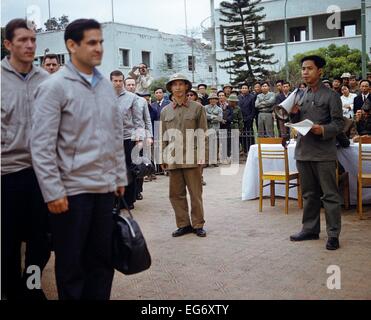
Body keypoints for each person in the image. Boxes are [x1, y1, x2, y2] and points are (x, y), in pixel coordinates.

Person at [31, 19, 127, 300]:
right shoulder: (54, 87)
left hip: (104, 189)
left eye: (101, 42)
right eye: (91, 42)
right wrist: (53, 191)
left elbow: (114, 135)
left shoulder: (106, 87)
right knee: (72, 265)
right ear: (72, 46)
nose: (99, 48)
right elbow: (41, 145)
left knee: (102, 261)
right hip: (70, 193)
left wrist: (119, 177)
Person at [1, 18, 51, 301]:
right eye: (23, 40)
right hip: (6, 174)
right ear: (8, 44)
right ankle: (10, 290)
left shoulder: (47, 81)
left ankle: (31, 287)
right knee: (6, 243)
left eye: (33, 39)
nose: (30, 45)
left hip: (41, 174)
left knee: (40, 242)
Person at [289, 55, 344, 251]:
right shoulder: (300, 95)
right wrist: (293, 114)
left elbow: (339, 124)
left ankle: (333, 234)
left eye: (309, 68)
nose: (305, 72)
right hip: (303, 152)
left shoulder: (332, 96)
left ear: (320, 71)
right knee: (309, 194)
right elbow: (295, 118)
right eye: (303, 69)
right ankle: (310, 229)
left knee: (330, 195)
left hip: (323, 154)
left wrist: (322, 130)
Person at [160, 73, 208, 238]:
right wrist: (161, 158)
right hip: (173, 158)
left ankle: (198, 224)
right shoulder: (165, 111)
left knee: (195, 193)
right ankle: (183, 224)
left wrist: (203, 156)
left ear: (187, 87)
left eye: (181, 84)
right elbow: (162, 136)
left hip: (192, 158)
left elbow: (203, 133)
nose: (178, 87)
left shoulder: (197, 108)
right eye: (175, 84)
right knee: (176, 194)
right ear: (171, 88)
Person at [110, 71, 145, 209]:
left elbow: (138, 120)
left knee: (129, 169)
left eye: (120, 81)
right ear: (111, 81)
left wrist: (139, 138)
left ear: (123, 81)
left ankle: (129, 200)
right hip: (111, 140)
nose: (118, 83)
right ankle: (115, 200)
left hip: (128, 138)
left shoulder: (132, 98)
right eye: (115, 81)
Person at [125, 77, 153, 199]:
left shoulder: (141, 101)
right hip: (125, 137)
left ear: (135, 86)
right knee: (127, 165)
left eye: (132, 84)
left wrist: (150, 136)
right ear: (125, 86)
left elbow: (147, 120)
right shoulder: (120, 100)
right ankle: (129, 193)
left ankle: (138, 190)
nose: (131, 86)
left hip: (140, 137)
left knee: (139, 165)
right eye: (128, 84)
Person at [239, 83, 255, 153]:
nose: (244, 89)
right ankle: (244, 149)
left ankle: (250, 149)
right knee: (242, 135)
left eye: (246, 88)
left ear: (248, 89)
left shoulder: (251, 97)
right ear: (241, 89)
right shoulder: (238, 97)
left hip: (248, 119)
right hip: (240, 119)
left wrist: (250, 117)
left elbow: (253, 109)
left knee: (249, 134)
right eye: (243, 88)